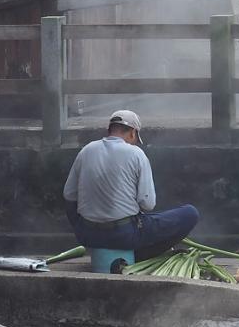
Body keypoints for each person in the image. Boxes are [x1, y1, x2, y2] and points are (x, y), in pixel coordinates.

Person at [62, 110, 199, 259]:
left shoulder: (86, 150)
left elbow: (69, 195)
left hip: (88, 236)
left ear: (110, 130)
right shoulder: (136, 154)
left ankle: (98, 242)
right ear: (133, 133)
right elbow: (147, 204)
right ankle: (140, 255)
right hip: (123, 236)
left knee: (75, 206)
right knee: (190, 213)